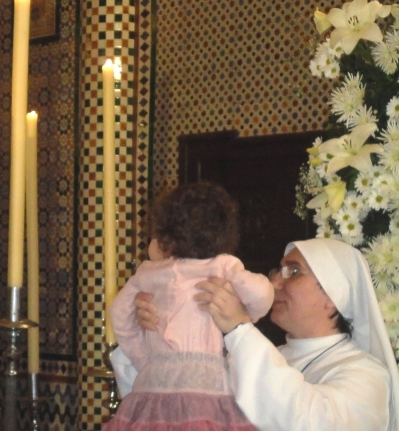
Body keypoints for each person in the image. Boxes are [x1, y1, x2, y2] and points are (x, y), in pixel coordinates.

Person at [115, 237, 399, 430]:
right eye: (279, 270)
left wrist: (239, 330)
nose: (274, 282)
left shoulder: (367, 375)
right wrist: (149, 336)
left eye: (294, 272)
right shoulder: (253, 358)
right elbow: (167, 411)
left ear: (335, 294)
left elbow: (310, 425)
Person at [104, 182, 274, 430]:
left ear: (165, 237)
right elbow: (262, 293)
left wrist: (145, 360)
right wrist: (246, 315)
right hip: (206, 383)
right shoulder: (223, 265)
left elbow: (119, 314)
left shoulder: (148, 273)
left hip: (154, 382)